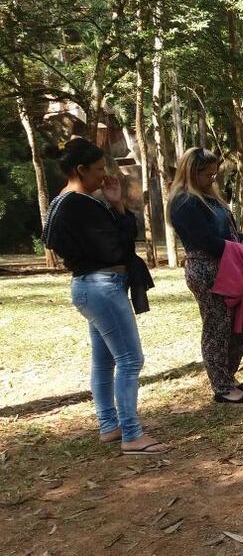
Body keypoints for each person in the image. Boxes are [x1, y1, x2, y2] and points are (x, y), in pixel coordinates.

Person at [41, 138, 168, 455]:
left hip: (89, 287)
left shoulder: (62, 201)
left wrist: (116, 203)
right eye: (98, 170)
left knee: (105, 360)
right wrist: (117, 210)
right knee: (130, 360)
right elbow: (119, 246)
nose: (103, 177)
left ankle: (110, 425)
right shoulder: (79, 204)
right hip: (102, 286)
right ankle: (131, 435)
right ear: (80, 170)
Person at [168, 148, 243, 403]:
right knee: (217, 325)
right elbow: (205, 240)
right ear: (192, 174)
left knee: (242, 321)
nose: (213, 179)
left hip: (231, 265)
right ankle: (221, 384)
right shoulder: (184, 202)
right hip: (207, 270)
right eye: (208, 174)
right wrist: (239, 248)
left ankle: (227, 376)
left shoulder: (212, 198)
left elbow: (230, 230)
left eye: (214, 173)